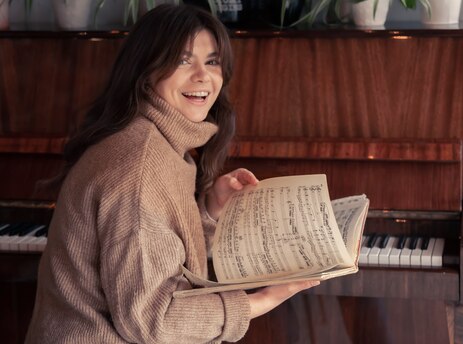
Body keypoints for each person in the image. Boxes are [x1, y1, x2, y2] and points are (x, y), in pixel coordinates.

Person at [25, 4, 318, 343]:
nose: (203, 76)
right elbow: (154, 321)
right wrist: (262, 300)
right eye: (182, 60)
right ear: (146, 70)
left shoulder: (154, 142)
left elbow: (158, 252)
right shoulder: (140, 166)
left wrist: (208, 211)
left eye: (212, 61)